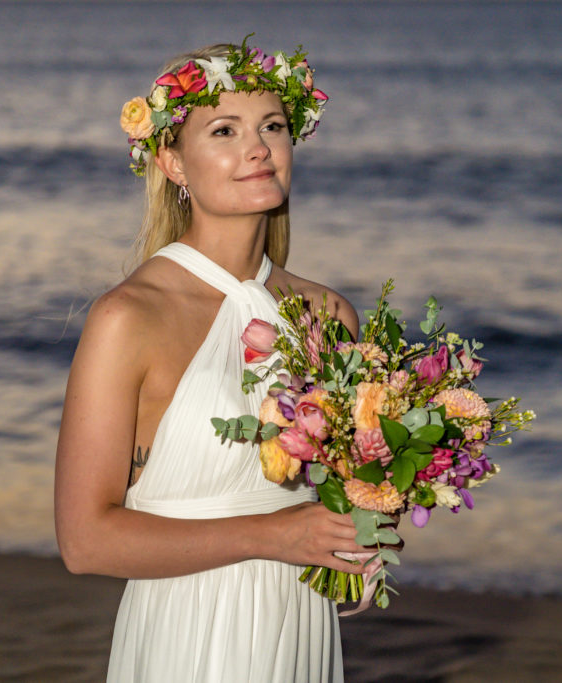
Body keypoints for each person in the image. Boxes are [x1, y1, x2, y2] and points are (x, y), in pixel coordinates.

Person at [54, 39, 368, 682]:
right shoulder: (128, 317)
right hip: (187, 631)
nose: (258, 148)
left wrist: (361, 545)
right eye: (224, 130)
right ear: (172, 160)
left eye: (273, 127)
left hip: (300, 626)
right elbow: (85, 542)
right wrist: (274, 537)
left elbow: (344, 498)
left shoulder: (330, 315)